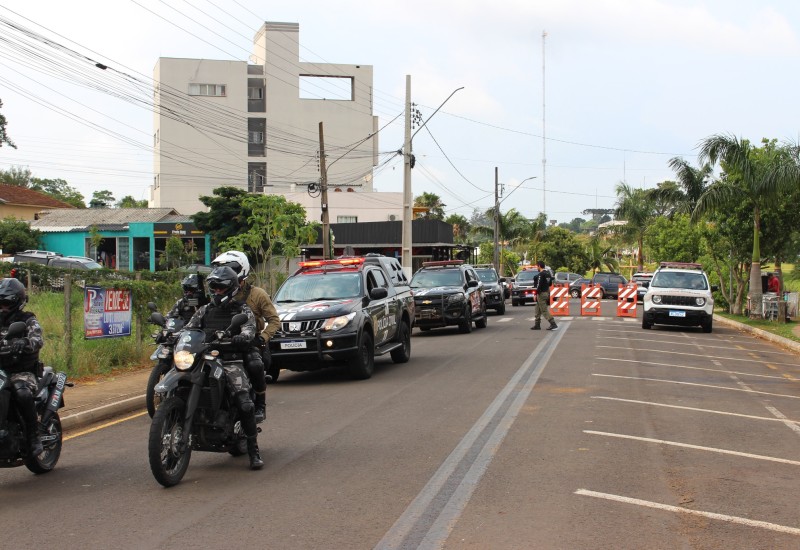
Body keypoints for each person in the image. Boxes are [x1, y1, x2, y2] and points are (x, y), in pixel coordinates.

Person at [184, 266, 264, 470]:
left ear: (232, 288)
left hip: (230, 360)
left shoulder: (242, 310)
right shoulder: (204, 310)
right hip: (204, 359)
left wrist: (241, 337)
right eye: (214, 287)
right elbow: (189, 329)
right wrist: (172, 335)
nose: (217, 291)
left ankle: (253, 450)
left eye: (221, 287)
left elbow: (249, 330)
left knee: (244, 403)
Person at [211, 251, 279, 423]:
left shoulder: (257, 294)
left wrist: (262, 338)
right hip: (220, 341)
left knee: (255, 365)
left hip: (249, 341)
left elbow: (274, 321)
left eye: (230, 269)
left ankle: (260, 404)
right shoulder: (216, 294)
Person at [0, 278, 45, 457]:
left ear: (17, 302)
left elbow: (37, 339)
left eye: (6, 303)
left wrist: (24, 341)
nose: (3, 307)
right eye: (1, 303)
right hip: (1, 371)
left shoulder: (28, 320)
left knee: (22, 393)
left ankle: (34, 436)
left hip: (21, 372)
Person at [530, 260, 558, 331]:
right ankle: (537, 324)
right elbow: (550, 284)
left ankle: (553, 323)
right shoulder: (548, 274)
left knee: (544, 310)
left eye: (537, 266)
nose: (537, 268)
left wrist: (535, 294)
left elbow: (538, 285)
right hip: (546, 292)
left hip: (541, 293)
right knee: (537, 308)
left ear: (539, 266)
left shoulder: (541, 274)